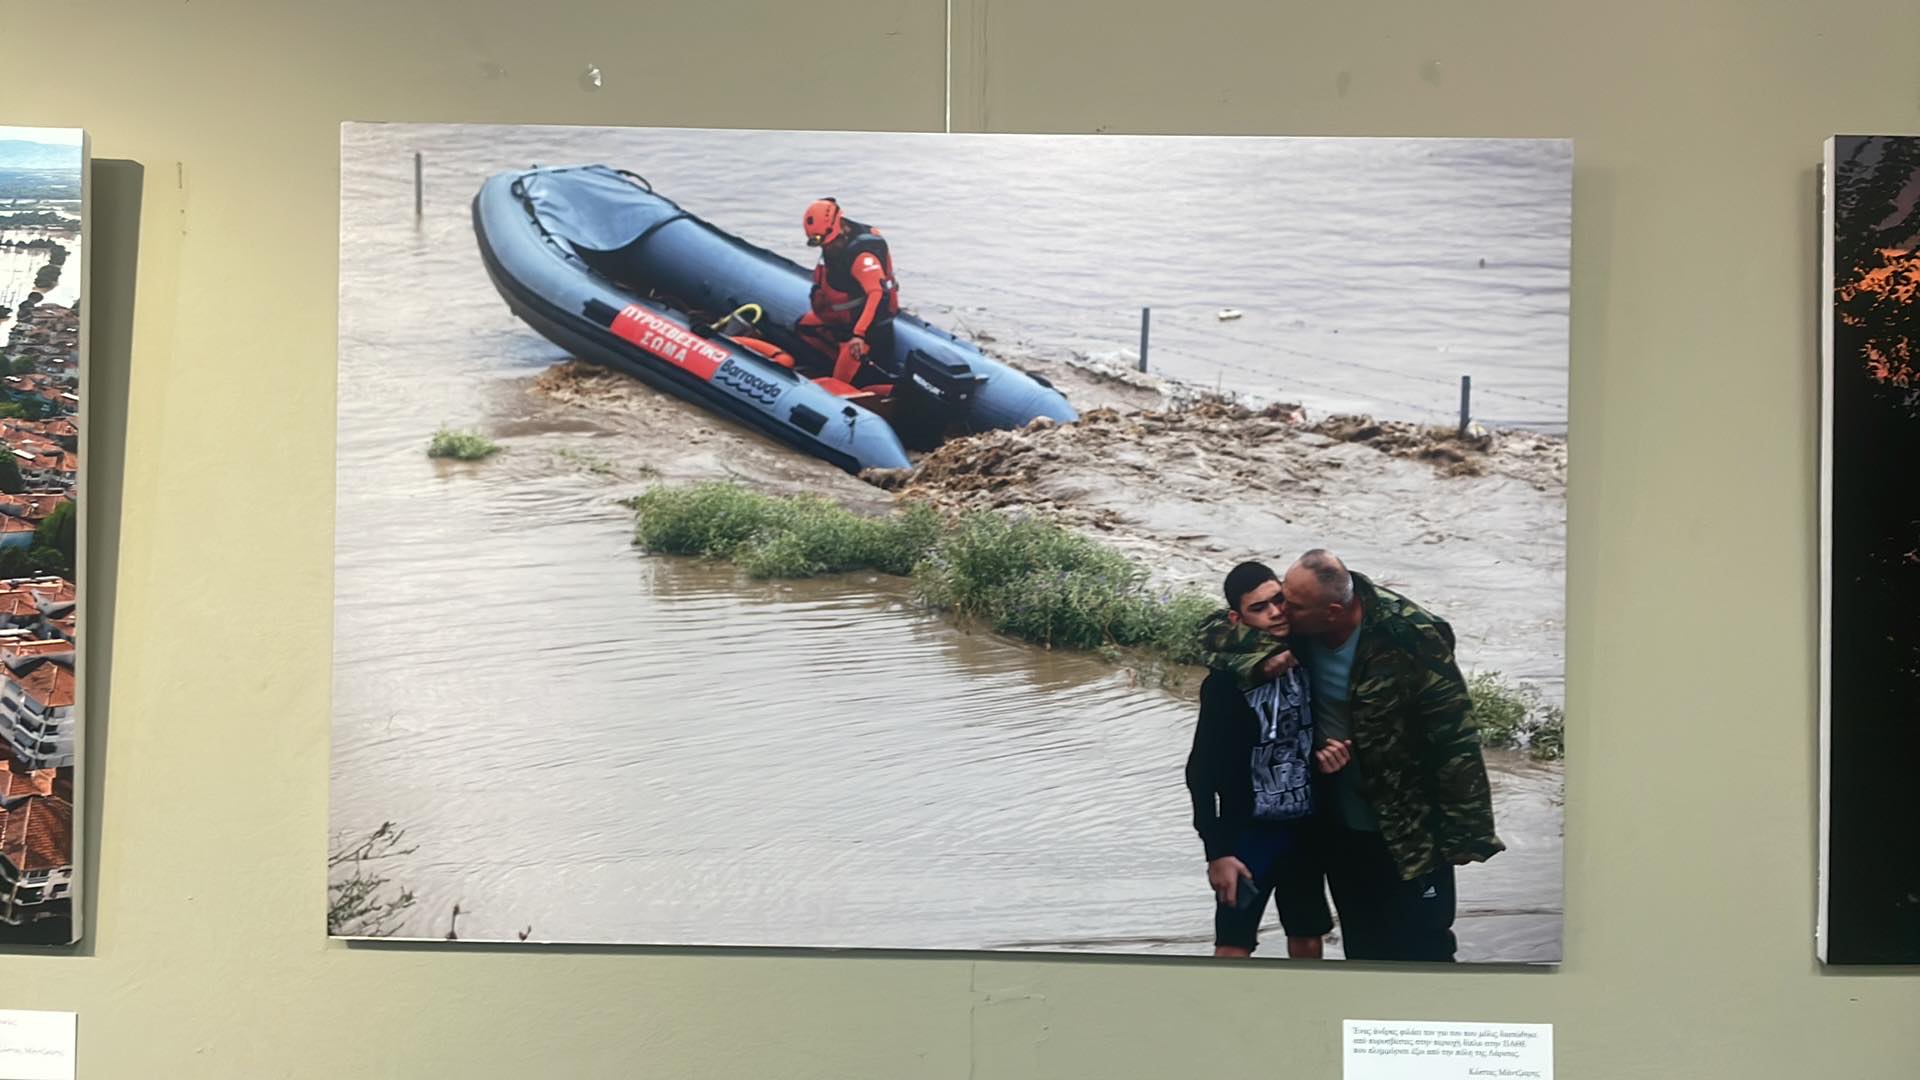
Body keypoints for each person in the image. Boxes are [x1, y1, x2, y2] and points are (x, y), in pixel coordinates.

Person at [1195, 549, 1503, 963]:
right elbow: (1213, 630)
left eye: (1291, 605)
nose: (1283, 613)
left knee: (1426, 943)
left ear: (1333, 612)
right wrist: (1260, 657)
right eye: (1279, 601)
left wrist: (1468, 831)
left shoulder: (1410, 634)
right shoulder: (1301, 625)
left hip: (1407, 826)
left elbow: (1454, 737)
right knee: (1362, 944)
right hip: (1336, 824)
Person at [1185, 561, 1353, 960]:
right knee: (1233, 945)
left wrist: (1328, 758)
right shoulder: (1226, 684)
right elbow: (1200, 773)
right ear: (1237, 618)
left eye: (1279, 600)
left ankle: (1305, 1018)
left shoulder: (1308, 652)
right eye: (1259, 608)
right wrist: (1217, 854)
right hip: (1248, 834)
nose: (1275, 612)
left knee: (1309, 936)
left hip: (1305, 827)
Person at [795, 198, 900, 388]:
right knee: (804, 327)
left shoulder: (861, 256)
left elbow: (876, 293)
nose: (827, 247)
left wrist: (858, 335)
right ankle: (826, 365)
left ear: (840, 228)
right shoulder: (836, 243)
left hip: (867, 333)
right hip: (841, 322)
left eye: (828, 242)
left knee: (837, 385)